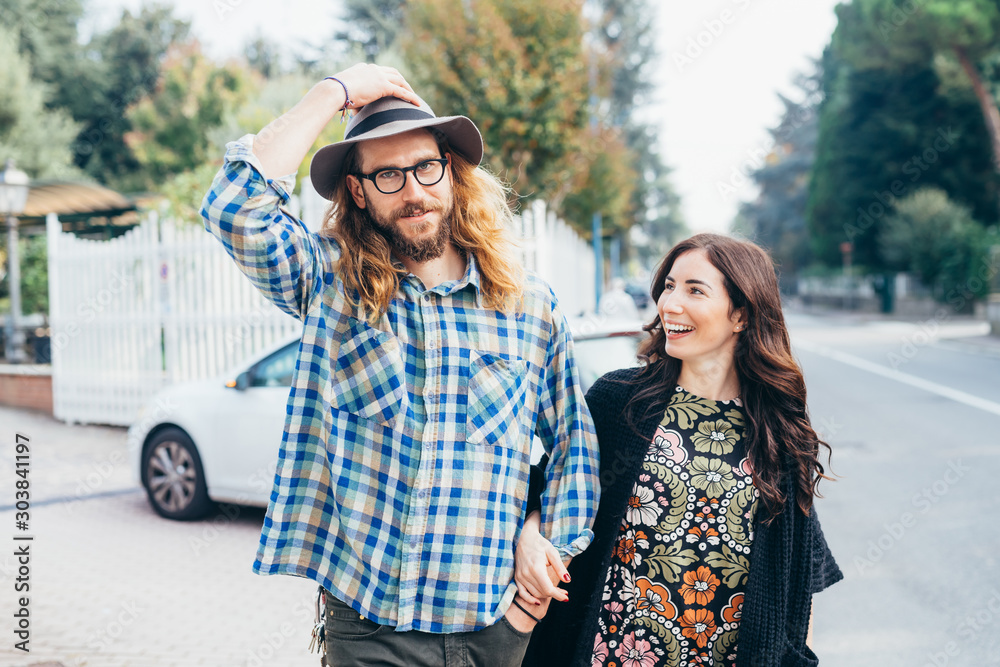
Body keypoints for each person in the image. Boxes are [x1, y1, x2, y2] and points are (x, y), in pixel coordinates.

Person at [200, 63, 600, 666]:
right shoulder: (328, 285)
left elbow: (576, 446)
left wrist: (542, 549)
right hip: (369, 630)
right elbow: (236, 208)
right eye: (387, 174)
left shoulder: (528, 307)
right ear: (357, 191)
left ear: (452, 172)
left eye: (425, 167)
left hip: (493, 628)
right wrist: (334, 91)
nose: (413, 191)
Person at [516, 233, 842, 666]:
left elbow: (799, 584)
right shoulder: (619, 403)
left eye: (695, 290)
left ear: (741, 315)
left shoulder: (777, 434)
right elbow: (548, 486)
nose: (670, 304)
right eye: (668, 286)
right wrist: (529, 536)